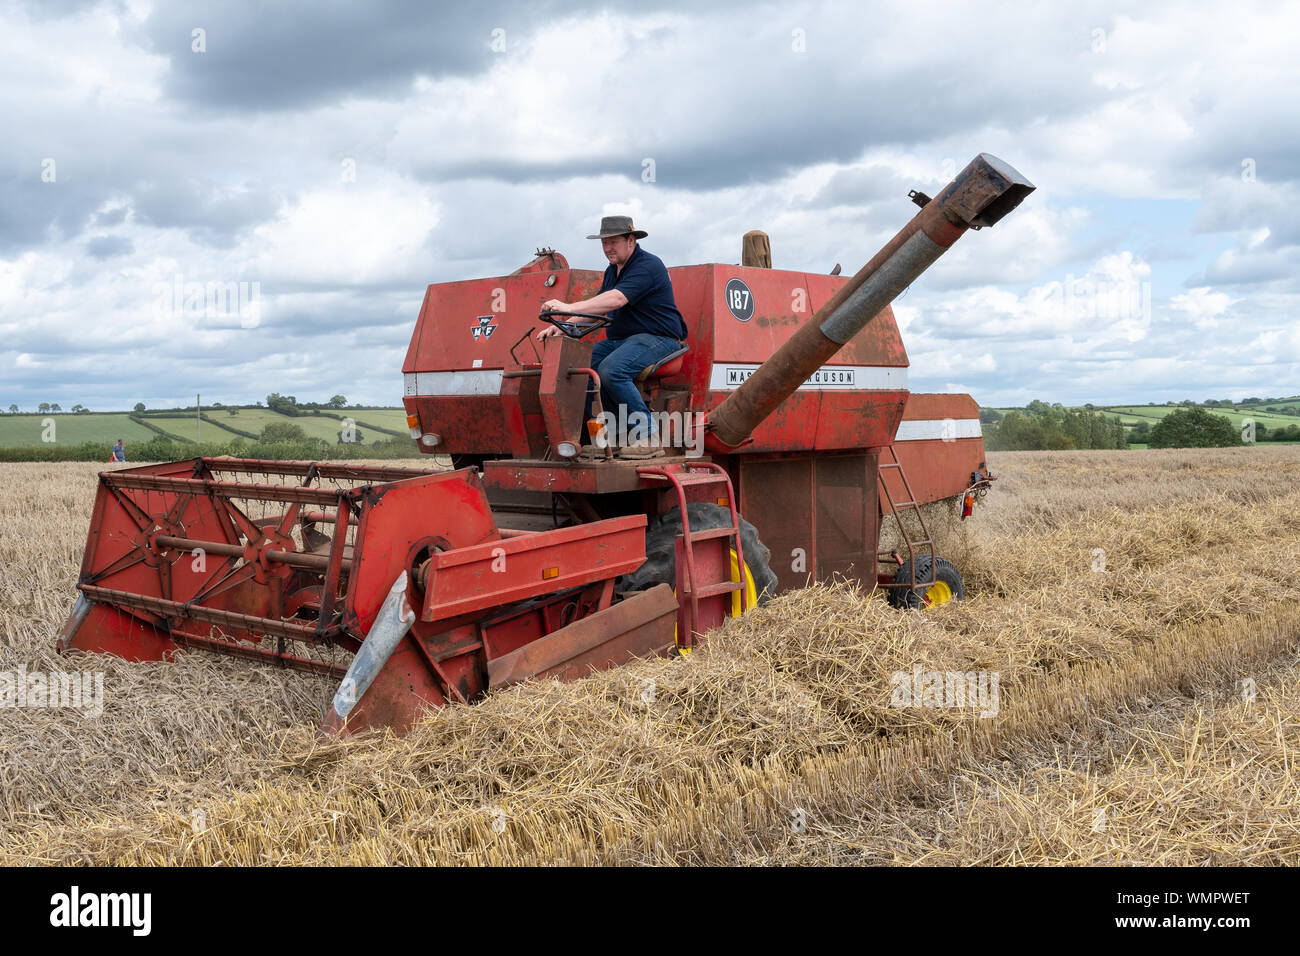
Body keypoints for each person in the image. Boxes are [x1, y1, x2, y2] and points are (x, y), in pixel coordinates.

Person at [537, 215, 687, 457]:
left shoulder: (648, 266)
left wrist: (569, 306)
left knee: (611, 370)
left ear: (631, 240)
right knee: (577, 371)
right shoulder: (612, 271)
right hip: (624, 341)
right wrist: (563, 324)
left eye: (613, 242)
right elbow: (600, 309)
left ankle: (648, 437)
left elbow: (616, 299)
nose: (607, 248)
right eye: (604, 243)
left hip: (659, 338)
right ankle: (616, 436)